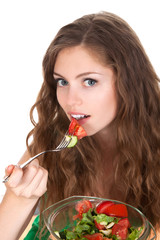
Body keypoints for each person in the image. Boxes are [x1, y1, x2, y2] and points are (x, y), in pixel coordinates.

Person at [0, 11, 160, 240]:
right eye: (62, 82)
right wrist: (19, 198)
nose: (70, 100)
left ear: (128, 82)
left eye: (90, 81)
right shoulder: (52, 141)